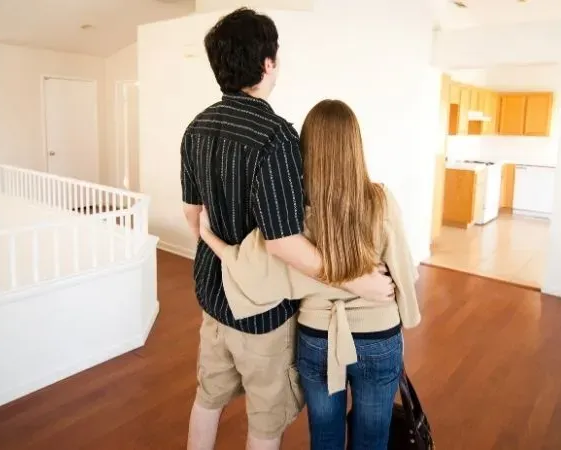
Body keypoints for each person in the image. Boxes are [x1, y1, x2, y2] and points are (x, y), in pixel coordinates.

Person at [180, 9, 396, 450]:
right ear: (267, 63)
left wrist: (213, 240)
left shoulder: (196, 128)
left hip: (212, 299)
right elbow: (282, 243)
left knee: (207, 399)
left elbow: (193, 215)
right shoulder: (275, 137)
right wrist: (360, 280)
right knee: (265, 421)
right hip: (259, 312)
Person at [197, 99, 422, 450]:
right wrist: (407, 315)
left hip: (316, 339)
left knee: (325, 438)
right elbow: (405, 272)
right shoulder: (380, 200)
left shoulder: (292, 214)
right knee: (373, 440)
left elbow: (249, 266)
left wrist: (208, 236)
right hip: (379, 338)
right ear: (355, 145)